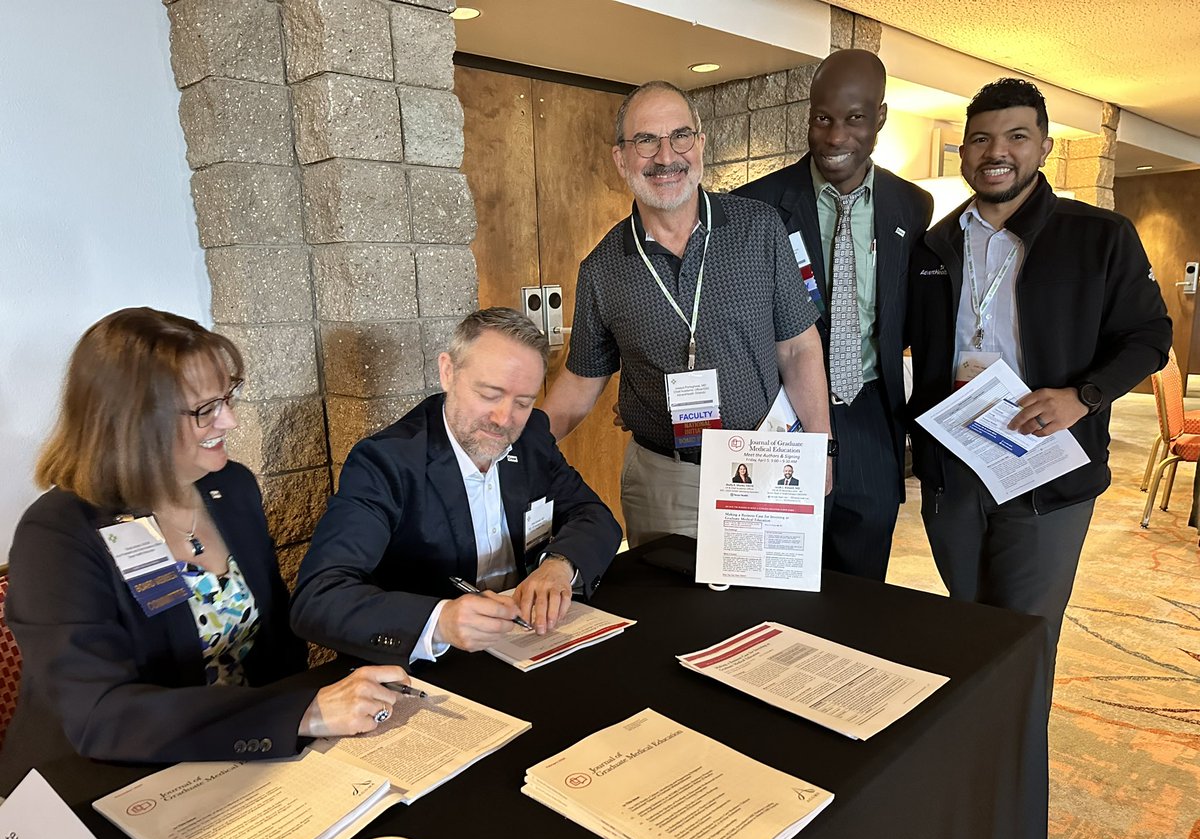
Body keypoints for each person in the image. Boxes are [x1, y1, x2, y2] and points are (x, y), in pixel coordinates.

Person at [0, 308, 409, 794]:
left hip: (241, 757)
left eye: (227, 398)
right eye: (204, 410)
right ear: (132, 421)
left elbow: (276, 641)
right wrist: (302, 712)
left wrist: (308, 734)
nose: (231, 420)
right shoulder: (59, 533)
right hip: (103, 784)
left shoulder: (230, 487)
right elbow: (102, 715)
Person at [907, 78, 1172, 700]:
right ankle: (971, 755)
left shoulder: (1100, 235)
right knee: (969, 625)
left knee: (1024, 636)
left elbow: (1149, 335)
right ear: (964, 152)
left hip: (1047, 466)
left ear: (1044, 147)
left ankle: (1014, 776)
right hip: (957, 463)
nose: (996, 151)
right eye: (980, 139)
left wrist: (1083, 396)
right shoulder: (934, 244)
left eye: (1016, 136)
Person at [542, 80, 832, 548]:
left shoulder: (759, 229)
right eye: (645, 141)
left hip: (767, 462)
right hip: (665, 480)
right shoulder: (601, 268)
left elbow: (799, 347)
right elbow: (580, 383)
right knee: (677, 617)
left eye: (680, 136)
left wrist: (821, 448)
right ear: (621, 158)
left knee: (770, 613)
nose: (665, 157)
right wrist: (516, 448)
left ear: (700, 144)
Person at [291, 308, 621, 664]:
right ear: (448, 372)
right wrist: (440, 620)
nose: (504, 419)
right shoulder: (387, 462)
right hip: (427, 664)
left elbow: (595, 516)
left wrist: (559, 564)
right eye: (490, 394)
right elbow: (318, 598)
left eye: (523, 402)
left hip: (521, 645)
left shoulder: (531, 439)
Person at [736, 49, 934, 582]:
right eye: (822, 119)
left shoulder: (912, 206)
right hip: (778, 417)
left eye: (854, 119)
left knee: (863, 582)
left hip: (870, 412)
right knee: (774, 577)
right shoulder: (755, 206)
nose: (835, 137)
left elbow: (907, 314)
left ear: (881, 119)